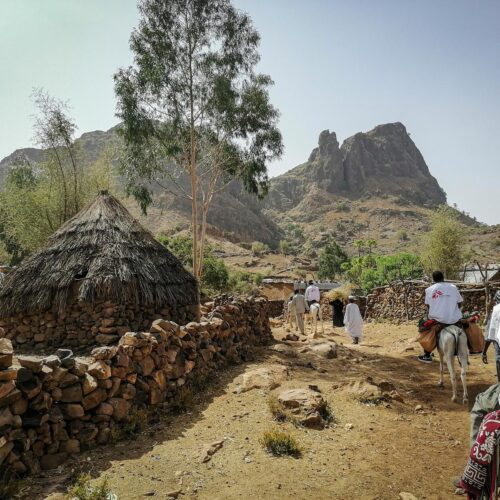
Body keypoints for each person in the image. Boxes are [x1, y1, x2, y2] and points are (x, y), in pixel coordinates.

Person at [418, 270, 463, 363]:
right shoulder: (453, 287)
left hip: (438, 319)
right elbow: (460, 303)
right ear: (443, 278)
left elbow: (428, 305)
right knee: (465, 327)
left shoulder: (429, 289)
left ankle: (427, 354)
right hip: (454, 319)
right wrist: (453, 310)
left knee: (425, 330)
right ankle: (472, 349)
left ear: (433, 279)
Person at [482, 291, 500, 380]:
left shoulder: (495, 310)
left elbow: (490, 333)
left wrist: (484, 352)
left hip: (498, 339)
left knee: (498, 358)